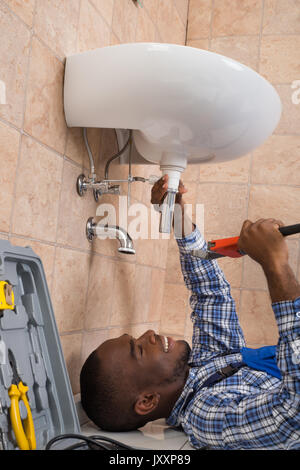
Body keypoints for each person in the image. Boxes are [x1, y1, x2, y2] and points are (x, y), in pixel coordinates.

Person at [80, 176, 300, 450]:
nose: (149, 333)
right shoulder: (205, 415)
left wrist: (176, 216)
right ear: (147, 401)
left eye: (135, 337)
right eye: (137, 349)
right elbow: (292, 416)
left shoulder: (204, 367)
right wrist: (275, 265)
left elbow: (210, 293)